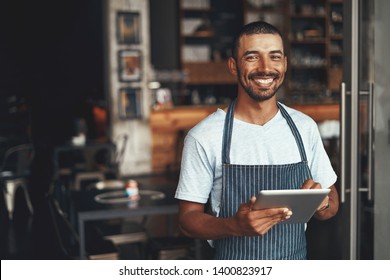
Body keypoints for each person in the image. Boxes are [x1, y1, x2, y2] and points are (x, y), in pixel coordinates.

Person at [174, 21, 339, 260]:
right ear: (233, 66)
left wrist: (322, 203)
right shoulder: (204, 136)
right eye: (252, 57)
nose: (265, 68)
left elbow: (331, 206)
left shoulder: (304, 128)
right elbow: (187, 220)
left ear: (284, 64)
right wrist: (233, 226)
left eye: (274, 57)